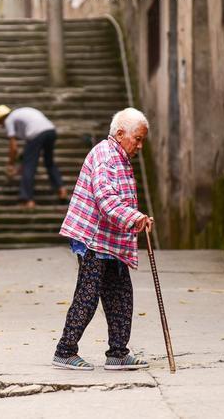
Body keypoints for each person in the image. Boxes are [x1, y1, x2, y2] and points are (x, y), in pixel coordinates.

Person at [52, 107, 154, 371]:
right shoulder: (105, 155)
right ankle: (65, 350)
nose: (140, 146)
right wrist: (134, 217)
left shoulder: (119, 156)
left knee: (120, 294)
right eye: (138, 139)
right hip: (93, 239)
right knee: (88, 294)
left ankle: (118, 353)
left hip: (110, 241)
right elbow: (106, 199)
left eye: (142, 140)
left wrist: (137, 217)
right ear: (120, 134)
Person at [0, 105, 68, 208]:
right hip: (51, 131)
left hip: (36, 134)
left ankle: (27, 199)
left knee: (29, 166)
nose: (2, 125)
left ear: (2, 118)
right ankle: (61, 189)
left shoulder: (9, 119)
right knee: (49, 162)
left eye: (0, 122)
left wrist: (10, 164)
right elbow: (29, 145)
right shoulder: (21, 113)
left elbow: (13, 147)